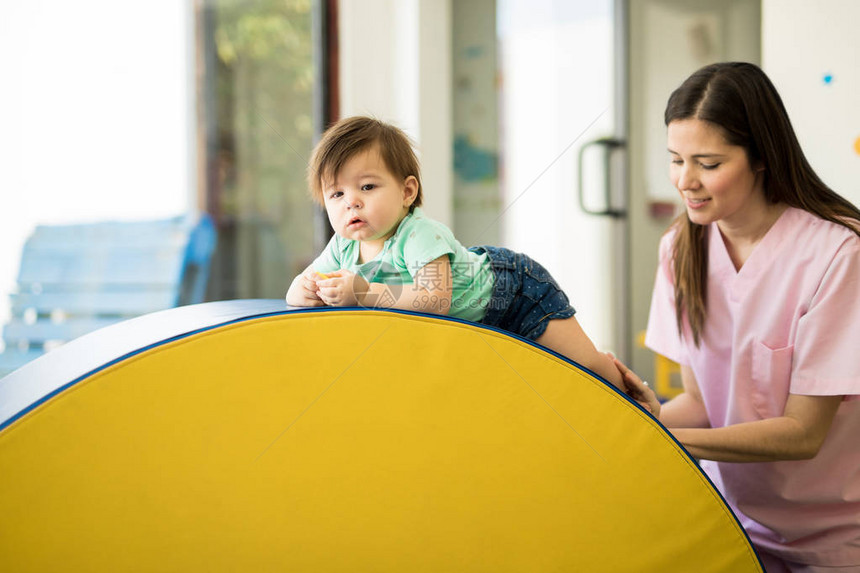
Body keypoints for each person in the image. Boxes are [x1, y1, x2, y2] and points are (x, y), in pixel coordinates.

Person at [614, 62, 860, 572]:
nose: (685, 181)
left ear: (761, 158)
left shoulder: (839, 253)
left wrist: (657, 438)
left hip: (838, 537)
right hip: (735, 524)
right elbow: (704, 402)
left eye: (707, 162)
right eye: (676, 159)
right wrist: (626, 420)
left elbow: (802, 433)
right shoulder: (681, 247)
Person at [285, 116, 623, 390]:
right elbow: (297, 291)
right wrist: (305, 289)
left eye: (367, 187)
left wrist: (361, 292)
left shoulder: (417, 233)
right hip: (477, 318)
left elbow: (434, 301)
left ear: (407, 191)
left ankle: (639, 403)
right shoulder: (344, 245)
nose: (351, 202)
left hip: (515, 292)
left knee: (585, 365)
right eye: (337, 193)